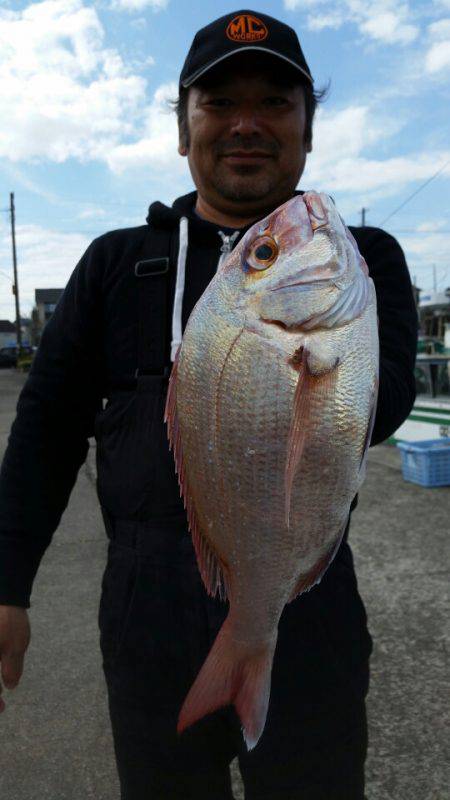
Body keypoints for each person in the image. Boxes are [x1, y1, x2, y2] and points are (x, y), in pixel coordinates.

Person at [0, 9, 417, 800]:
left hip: (307, 603)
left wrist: (323, 335)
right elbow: (47, 430)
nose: (247, 124)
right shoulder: (117, 264)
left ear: (308, 129)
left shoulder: (364, 261)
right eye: (220, 104)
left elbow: (385, 404)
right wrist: (6, 583)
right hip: (146, 620)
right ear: (184, 127)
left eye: (276, 103)